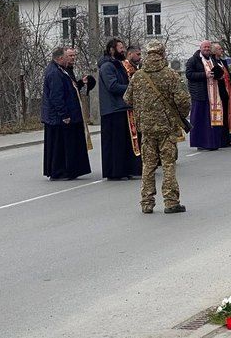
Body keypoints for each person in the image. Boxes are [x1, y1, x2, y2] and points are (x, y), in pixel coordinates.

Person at [123, 41, 190, 213]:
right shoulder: (170, 74)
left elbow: (127, 99)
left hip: (146, 128)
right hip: (166, 127)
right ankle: (170, 201)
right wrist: (180, 114)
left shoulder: (138, 75)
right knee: (168, 164)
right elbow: (183, 100)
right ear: (162, 53)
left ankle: (146, 203)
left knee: (148, 165)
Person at [42, 47, 92, 180]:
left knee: (65, 145)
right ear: (59, 59)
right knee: (59, 146)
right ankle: (59, 172)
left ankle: (68, 170)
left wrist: (81, 83)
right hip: (57, 118)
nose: (69, 59)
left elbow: (70, 89)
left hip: (62, 115)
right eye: (66, 57)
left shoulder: (61, 70)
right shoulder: (54, 73)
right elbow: (56, 96)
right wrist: (64, 114)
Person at [97, 38, 142, 179]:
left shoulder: (118, 64)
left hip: (122, 108)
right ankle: (116, 172)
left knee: (125, 143)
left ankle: (127, 170)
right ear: (112, 50)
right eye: (120, 47)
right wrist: (132, 88)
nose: (123, 50)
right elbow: (112, 86)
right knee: (116, 144)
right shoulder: (107, 66)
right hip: (113, 110)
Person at [185, 40, 229, 151]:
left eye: (208, 48)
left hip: (214, 94)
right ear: (200, 48)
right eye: (205, 47)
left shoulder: (212, 59)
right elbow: (189, 74)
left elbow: (217, 72)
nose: (207, 49)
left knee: (211, 120)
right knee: (200, 119)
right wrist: (205, 75)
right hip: (200, 94)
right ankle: (201, 143)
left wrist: (219, 76)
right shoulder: (193, 60)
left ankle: (212, 142)